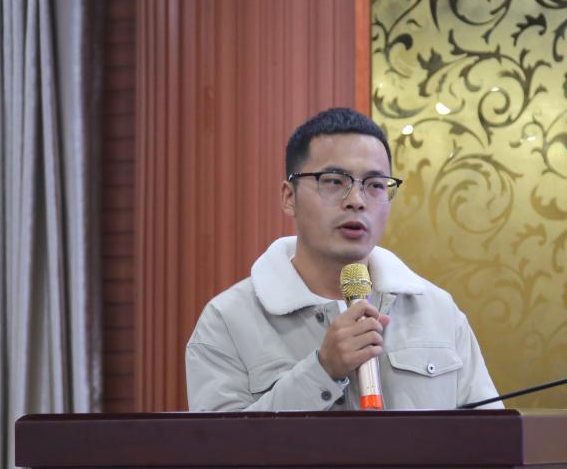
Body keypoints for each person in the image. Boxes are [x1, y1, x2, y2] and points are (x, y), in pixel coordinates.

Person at [185, 107, 501, 411]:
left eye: (375, 185)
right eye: (334, 181)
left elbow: (489, 436)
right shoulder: (228, 320)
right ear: (289, 197)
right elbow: (218, 445)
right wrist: (322, 371)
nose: (356, 201)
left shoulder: (438, 311)